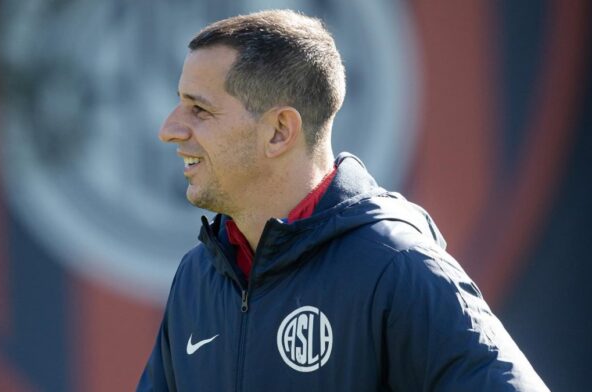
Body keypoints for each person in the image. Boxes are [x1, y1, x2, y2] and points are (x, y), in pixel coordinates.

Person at [137, 9, 548, 391]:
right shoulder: (197, 277)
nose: (169, 128)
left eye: (199, 109)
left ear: (280, 130)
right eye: (180, 102)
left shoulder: (397, 265)